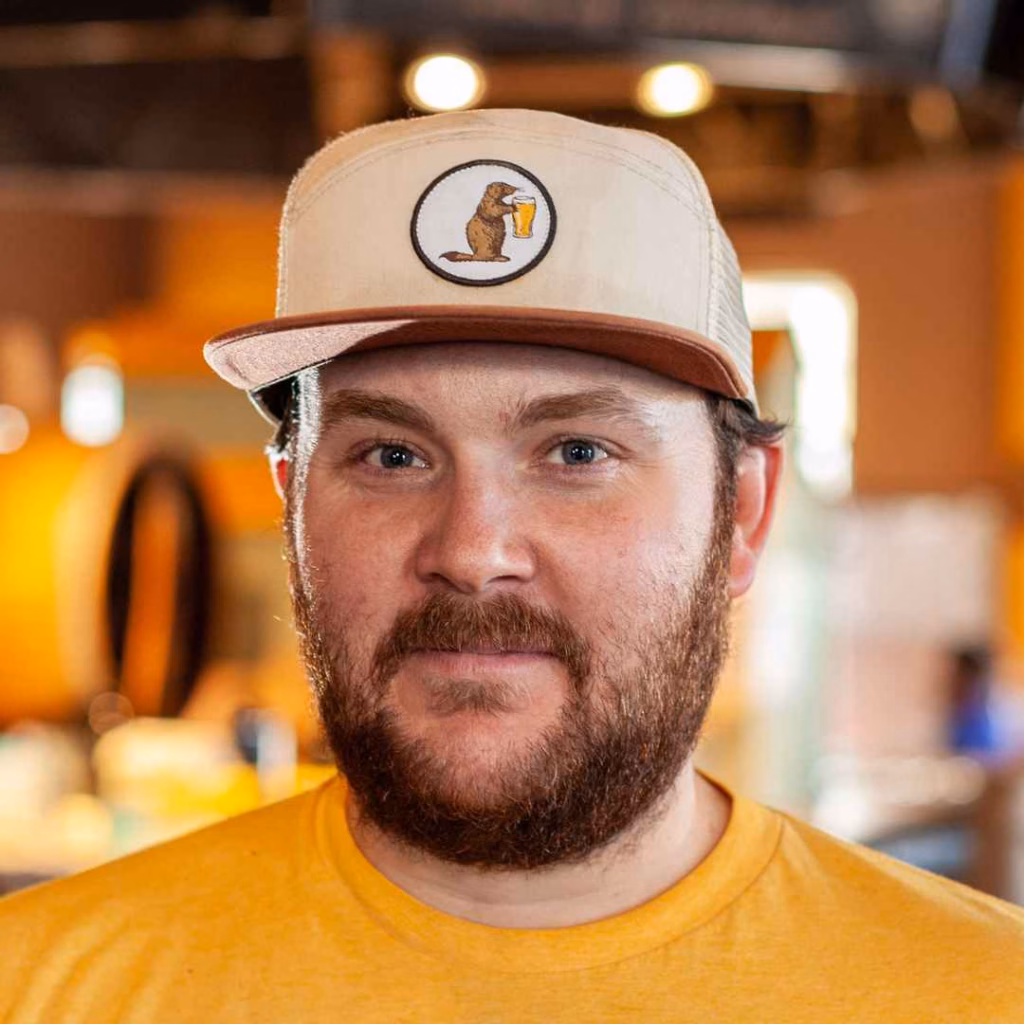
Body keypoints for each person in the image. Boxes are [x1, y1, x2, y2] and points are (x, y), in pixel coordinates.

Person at [3, 108, 1023, 1022]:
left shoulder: (983, 993)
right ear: (293, 505)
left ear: (742, 513)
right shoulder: (37, 985)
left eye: (577, 452)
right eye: (391, 456)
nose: (471, 552)